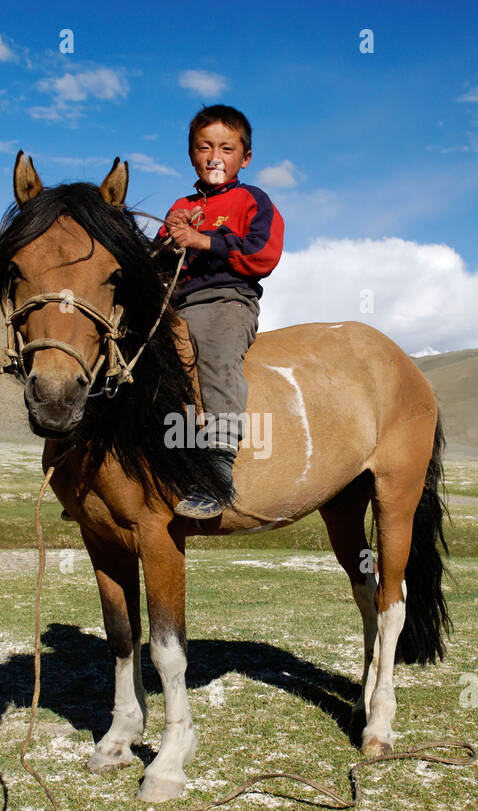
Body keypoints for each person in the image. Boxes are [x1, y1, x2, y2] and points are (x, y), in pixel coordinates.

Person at [159, 104, 284, 519]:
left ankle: (216, 469)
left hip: (227, 299)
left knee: (215, 358)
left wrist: (203, 241)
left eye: (227, 148)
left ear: (244, 158)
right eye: (204, 147)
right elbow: (157, 264)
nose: (215, 156)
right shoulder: (180, 204)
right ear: (192, 154)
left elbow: (263, 254)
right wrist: (169, 239)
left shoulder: (253, 199)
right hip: (176, 303)